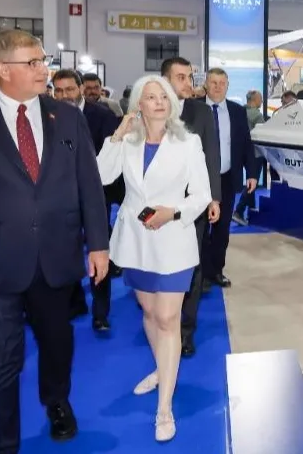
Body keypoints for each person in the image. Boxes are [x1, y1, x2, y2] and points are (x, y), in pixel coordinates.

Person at [0, 29, 110, 453]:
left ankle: (57, 399)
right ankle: (1, 445)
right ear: (2, 69)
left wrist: (98, 244)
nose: (42, 69)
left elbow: (88, 183)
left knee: (57, 341)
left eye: (42, 60)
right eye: (32, 63)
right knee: (0, 358)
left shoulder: (67, 117)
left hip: (56, 255)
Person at [96, 75, 211, 441]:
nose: (159, 101)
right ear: (138, 106)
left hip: (173, 240)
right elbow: (102, 175)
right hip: (136, 243)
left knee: (167, 317)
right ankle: (163, 368)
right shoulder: (127, 142)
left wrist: (172, 213)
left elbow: (201, 195)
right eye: (151, 97)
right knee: (149, 313)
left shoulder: (188, 142)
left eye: (164, 96)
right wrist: (116, 136)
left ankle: (164, 409)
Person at [51, 68, 122, 331]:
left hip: (96, 194)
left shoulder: (102, 116)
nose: (64, 95)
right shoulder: (47, 116)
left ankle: (100, 313)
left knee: (99, 251)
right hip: (60, 199)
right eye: (58, 90)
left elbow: (110, 156)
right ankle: (74, 301)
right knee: (64, 252)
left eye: (69, 89)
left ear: (81, 89)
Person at [159, 57, 219, 359]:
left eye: (190, 77)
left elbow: (212, 156)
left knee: (192, 267)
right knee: (160, 264)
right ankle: (161, 322)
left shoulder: (202, 112)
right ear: (165, 80)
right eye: (181, 77)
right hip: (158, 205)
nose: (188, 83)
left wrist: (214, 198)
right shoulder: (151, 108)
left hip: (193, 206)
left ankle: (185, 330)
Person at [202, 69, 260, 288]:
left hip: (227, 178)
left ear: (227, 85)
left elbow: (245, 144)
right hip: (199, 180)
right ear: (206, 84)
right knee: (200, 229)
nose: (218, 87)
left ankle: (216, 271)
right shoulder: (194, 109)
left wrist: (251, 173)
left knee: (222, 228)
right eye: (213, 82)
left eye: (222, 83)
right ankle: (200, 274)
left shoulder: (237, 111)